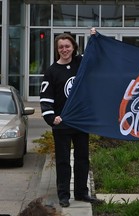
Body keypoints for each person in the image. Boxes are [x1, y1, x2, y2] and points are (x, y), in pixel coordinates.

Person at [40, 28, 103, 208]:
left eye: (67, 46)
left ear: (73, 47)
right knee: (63, 161)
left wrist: (94, 37)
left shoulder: (80, 63)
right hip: (62, 124)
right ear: (57, 49)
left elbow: (94, 55)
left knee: (82, 158)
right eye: (61, 47)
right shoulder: (51, 71)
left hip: (80, 121)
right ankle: (64, 195)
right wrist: (51, 118)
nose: (64, 49)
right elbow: (46, 99)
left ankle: (82, 193)